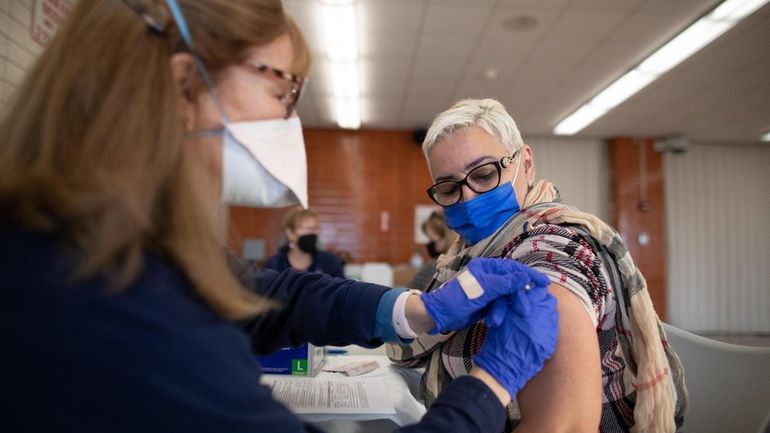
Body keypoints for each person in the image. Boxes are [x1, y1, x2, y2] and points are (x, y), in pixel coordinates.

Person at [0, 2, 560, 433]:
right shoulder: (112, 299)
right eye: (282, 88)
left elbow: (264, 295)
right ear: (181, 84)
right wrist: (490, 383)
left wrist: (415, 309)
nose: (288, 118)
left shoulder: (102, 236)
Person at [388, 98, 688, 433]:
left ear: (526, 164)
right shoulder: (467, 255)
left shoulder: (552, 250)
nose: (469, 198)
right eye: (448, 188)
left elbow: (566, 425)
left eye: (485, 175)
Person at [264, 206, 344, 278]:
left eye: (315, 228)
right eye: (305, 228)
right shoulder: (274, 265)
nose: (311, 233)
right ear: (290, 233)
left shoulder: (329, 262)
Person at [408, 210, 457, 291]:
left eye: (433, 240)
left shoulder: (446, 264)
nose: (431, 245)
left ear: (446, 237)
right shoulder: (433, 263)